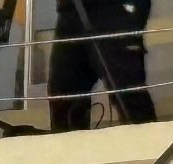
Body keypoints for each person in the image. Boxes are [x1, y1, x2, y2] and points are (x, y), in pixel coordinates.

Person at [47, 0, 155, 131]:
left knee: (128, 94)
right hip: (69, 10)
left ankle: (146, 140)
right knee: (63, 96)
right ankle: (68, 143)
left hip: (112, 9)